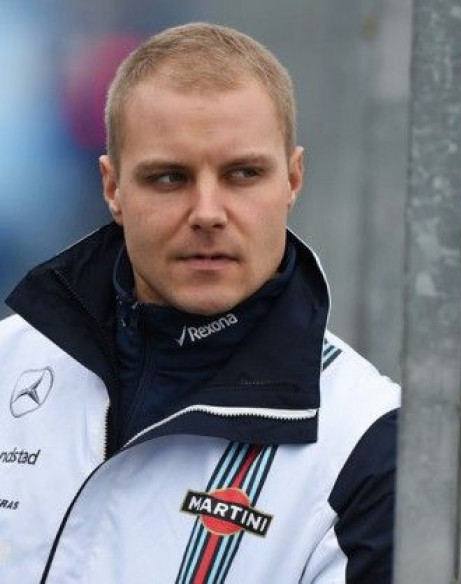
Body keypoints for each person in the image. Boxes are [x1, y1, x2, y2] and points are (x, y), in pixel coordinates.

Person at [0, 22, 400, 584]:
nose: (208, 212)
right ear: (113, 188)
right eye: (169, 177)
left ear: (293, 179)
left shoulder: (365, 441)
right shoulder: (8, 362)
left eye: (243, 174)